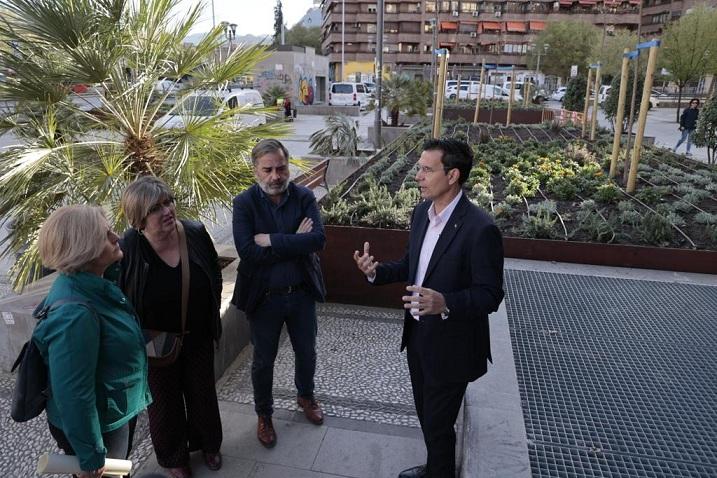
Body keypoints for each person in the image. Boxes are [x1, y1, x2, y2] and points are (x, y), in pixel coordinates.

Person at [353, 139, 504, 478]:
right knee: (428, 416)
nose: (417, 175)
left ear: (452, 175)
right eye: (418, 167)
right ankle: (438, 468)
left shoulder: (481, 229)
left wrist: (446, 302)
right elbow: (413, 265)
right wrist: (376, 272)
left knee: (437, 422)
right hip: (419, 336)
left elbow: (491, 294)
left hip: (454, 346)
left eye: (426, 169)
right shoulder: (422, 212)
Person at [33, 205, 151, 478]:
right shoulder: (76, 315)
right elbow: (73, 392)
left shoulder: (90, 283)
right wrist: (90, 454)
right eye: (105, 235)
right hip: (101, 425)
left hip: (110, 412)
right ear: (83, 249)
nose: (116, 236)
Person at [118, 176, 223, 478]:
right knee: (163, 406)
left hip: (198, 334)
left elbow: (213, 272)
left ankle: (209, 445)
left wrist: (210, 314)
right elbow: (120, 296)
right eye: (155, 208)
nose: (167, 210)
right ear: (139, 219)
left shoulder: (194, 233)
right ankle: (174, 458)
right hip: (153, 344)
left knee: (203, 394)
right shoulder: (129, 247)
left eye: (168, 201)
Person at [232, 139, 327, 448]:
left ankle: (306, 396)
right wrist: (293, 241)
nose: (275, 175)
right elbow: (248, 253)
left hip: (300, 294)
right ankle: (264, 414)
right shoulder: (244, 203)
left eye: (281, 168)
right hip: (264, 298)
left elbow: (317, 240)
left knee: (307, 351)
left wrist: (272, 240)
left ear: (288, 166)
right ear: (255, 170)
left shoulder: (303, 196)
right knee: (263, 361)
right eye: (268, 169)